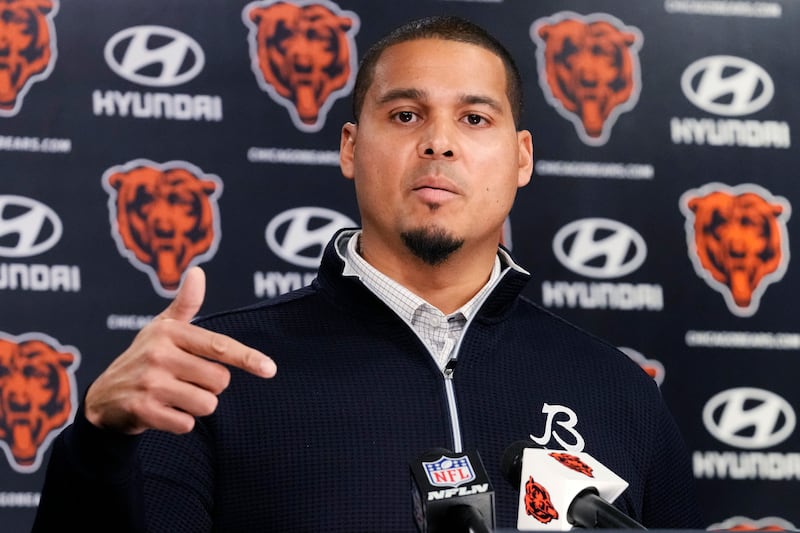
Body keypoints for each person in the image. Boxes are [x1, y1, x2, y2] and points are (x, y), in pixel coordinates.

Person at [33, 15, 702, 532]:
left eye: (474, 118)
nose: (439, 142)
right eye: (406, 115)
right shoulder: (210, 380)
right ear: (351, 148)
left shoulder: (618, 391)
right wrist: (97, 442)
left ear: (521, 158)